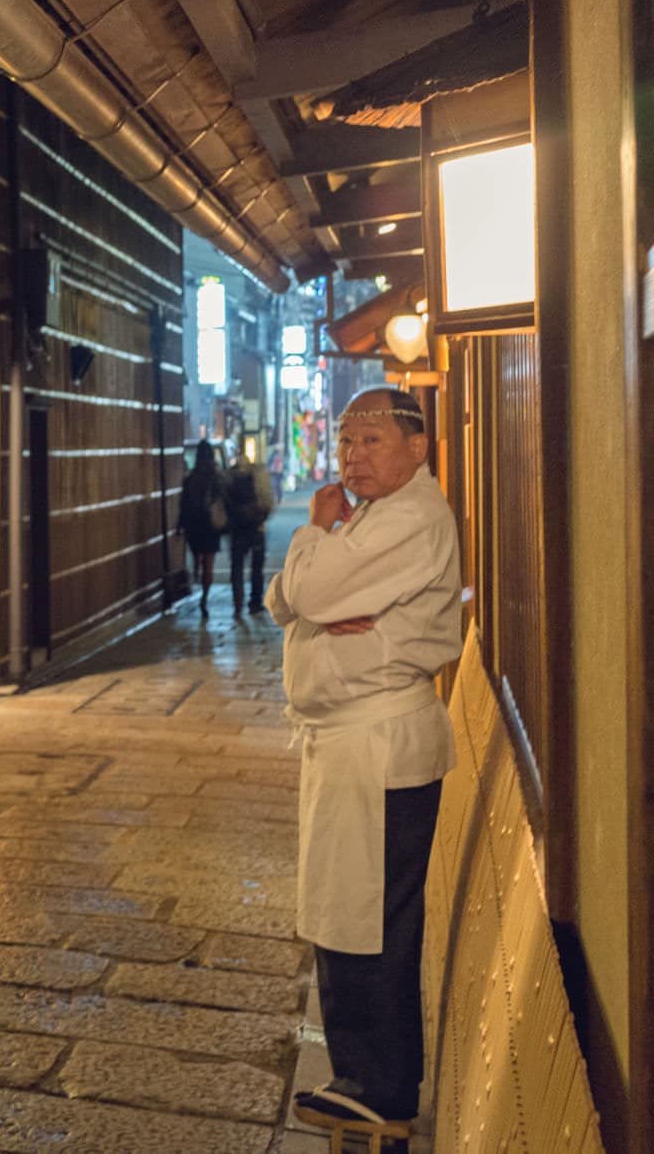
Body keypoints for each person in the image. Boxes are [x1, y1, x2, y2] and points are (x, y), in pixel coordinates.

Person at [265, 387, 461, 1136]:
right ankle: (362, 1074)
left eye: (373, 438)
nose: (353, 454)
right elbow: (290, 603)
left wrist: (315, 536)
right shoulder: (375, 515)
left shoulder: (410, 514)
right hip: (353, 742)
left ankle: (380, 1083)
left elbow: (306, 587)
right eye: (347, 440)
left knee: (372, 916)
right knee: (346, 908)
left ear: (418, 447)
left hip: (378, 743)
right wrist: (318, 589)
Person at [176, 440, 228, 617]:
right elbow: (223, 501)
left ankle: (197, 568)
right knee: (209, 562)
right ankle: (204, 597)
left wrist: (179, 526)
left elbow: (183, 504)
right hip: (210, 525)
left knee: (197, 553)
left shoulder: (191, 478)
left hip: (194, 524)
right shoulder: (215, 477)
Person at [225, 446, 277, 614]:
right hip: (256, 527)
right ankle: (255, 602)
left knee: (237, 567)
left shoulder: (230, 476)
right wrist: (263, 516)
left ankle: (237, 602)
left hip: (237, 529)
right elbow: (267, 501)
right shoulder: (258, 474)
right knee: (257, 567)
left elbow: (225, 504)